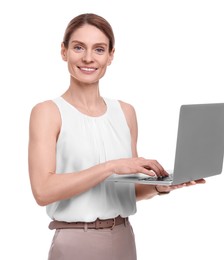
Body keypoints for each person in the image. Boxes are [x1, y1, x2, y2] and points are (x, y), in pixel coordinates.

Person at [28, 13, 205, 260]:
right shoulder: (48, 112)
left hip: (123, 237)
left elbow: (127, 190)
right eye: (79, 47)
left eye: (99, 49)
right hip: (76, 241)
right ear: (64, 51)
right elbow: (42, 191)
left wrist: (160, 186)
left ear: (111, 55)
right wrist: (112, 166)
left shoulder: (125, 112)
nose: (88, 58)